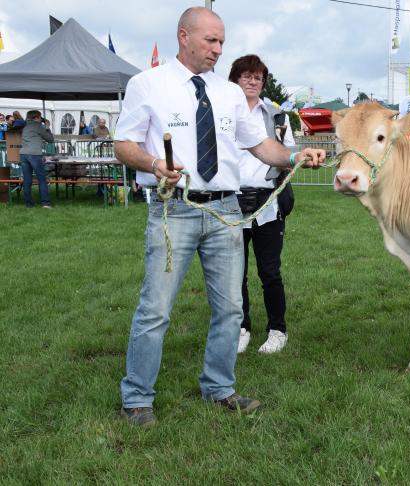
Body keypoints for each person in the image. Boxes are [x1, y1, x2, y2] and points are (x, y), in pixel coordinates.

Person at [113, 7, 325, 427]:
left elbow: (262, 146)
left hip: (227, 209)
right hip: (176, 209)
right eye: (211, 40)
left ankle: (219, 387)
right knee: (155, 309)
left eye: (222, 42)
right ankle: (136, 397)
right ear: (184, 36)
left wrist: (296, 157)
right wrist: (156, 163)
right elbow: (123, 144)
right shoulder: (147, 84)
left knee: (229, 309)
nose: (218, 49)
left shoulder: (228, 94)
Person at [228, 55, 297, 355]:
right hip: (231, 202)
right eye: (247, 76)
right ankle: (241, 327)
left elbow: (287, 155)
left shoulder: (278, 117)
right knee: (235, 271)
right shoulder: (224, 113)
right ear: (235, 79)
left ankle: (277, 329)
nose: (253, 81)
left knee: (270, 271)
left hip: (268, 202)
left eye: (258, 77)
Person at [20, 110, 54, 209]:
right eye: (40, 117)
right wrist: (47, 126)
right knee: (42, 179)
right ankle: (45, 203)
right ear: (36, 117)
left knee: (27, 180)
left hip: (23, 154)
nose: (40, 119)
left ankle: (29, 204)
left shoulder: (25, 126)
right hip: (34, 154)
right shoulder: (39, 126)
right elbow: (50, 139)